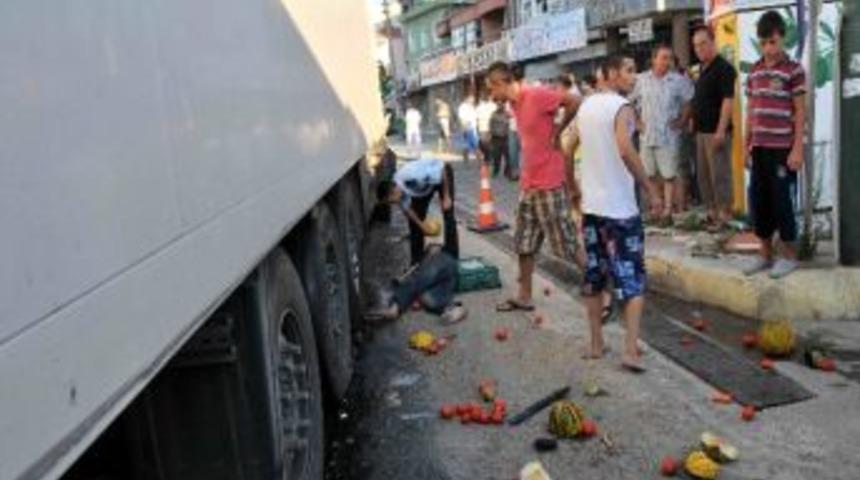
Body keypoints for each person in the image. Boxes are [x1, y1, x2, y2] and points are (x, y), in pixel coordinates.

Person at [568, 55, 662, 372]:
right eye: (628, 70)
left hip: (592, 209)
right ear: (609, 74)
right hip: (621, 210)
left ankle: (596, 345)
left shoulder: (586, 107)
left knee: (595, 278)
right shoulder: (621, 108)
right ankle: (630, 351)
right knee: (632, 280)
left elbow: (567, 149)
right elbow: (625, 148)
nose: (633, 76)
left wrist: (573, 188)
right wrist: (649, 187)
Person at [483, 61, 584, 312]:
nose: (490, 95)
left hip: (549, 182)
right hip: (529, 184)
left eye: (490, 89)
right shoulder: (514, 104)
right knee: (524, 244)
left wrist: (559, 130)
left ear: (501, 83)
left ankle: (603, 290)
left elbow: (573, 101)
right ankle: (525, 295)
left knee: (568, 245)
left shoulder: (536, 95)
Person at [743, 11, 806, 279]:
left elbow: (800, 112)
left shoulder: (794, 70)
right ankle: (766, 256)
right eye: (765, 42)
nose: (769, 47)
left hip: (782, 150)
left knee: (783, 203)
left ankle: (789, 257)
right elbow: (751, 109)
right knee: (760, 203)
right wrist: (746, 145)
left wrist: (798, 148)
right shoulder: (755, 71)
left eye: (774, 41)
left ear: (783, 39)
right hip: (759, 148)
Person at [630, 45, 695, 225]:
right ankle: (654, 208)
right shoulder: (641, 80)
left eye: (670, 58)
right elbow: (629, 102)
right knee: (649, 174)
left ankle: (667, 210)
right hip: (647, 135)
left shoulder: (678, 80)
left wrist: (682, 121)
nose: (667, 62)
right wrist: (637, 122)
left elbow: (689, 100)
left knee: (669, 175)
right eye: (664, 57)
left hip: (668, 136)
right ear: (654, 59)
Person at [692, 25, 738, 230]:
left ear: (713, 42)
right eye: (695, 45)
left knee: (720, 175)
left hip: (716, 132)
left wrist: (721, 130)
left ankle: (724, 215)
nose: (699, 49)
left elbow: (728, 101)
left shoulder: (724, 69)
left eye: (703, 43)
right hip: (701, 131)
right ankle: (711, 213)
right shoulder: (702, 68)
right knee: (704, 176)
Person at [377, 157, 459, 266]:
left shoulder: (411, 175)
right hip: (423, 188)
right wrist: (422, 226)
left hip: (442, 176)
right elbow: (409, 211)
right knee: (414, 223)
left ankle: (452, 255)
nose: (393, 204)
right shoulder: (399, 193)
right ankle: (416, 259)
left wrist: (446, 196)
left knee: (448, 214)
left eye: (391, 201)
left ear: (392, 192)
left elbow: (442, 167)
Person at [368, 245, 467, 325]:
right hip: (441, 275)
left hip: (442, 259)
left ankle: (396, 307)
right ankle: (453, 308)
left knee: (422, 284)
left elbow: (420, 277)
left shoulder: (439, 260)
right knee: (428, 297)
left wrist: (396, 306)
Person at [489, 101, 511, 178]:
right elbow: (491, 125)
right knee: (496, 157)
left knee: (508, 157)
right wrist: (491, 135)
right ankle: (496, 171)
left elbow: (510, 124)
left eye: (501, 105)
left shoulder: (507, 114)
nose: (500, 107)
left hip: (505, 137)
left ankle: (507, 172)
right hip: (496, 138)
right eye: (499, 105)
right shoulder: (493, 114)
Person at [457, 96, 480, 162]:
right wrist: (464, 125)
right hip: (467, 126)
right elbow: (461, 117)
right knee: (470, 142)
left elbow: (475, 116)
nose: (472, 102)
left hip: (473, 126)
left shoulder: (472, 107)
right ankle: (467, 156)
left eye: (473, 101)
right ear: (467, 100)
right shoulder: (463, 107)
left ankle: (475, 155)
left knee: (472, 141)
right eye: (471, 100)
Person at [476, 94, 497, 164]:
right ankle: (487, 158)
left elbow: (477, 118)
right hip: (487, 127)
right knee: (487, 144)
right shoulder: (492, 106)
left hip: (485, 127)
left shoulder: (480, 107)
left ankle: (487, 159)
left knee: (486, 144)